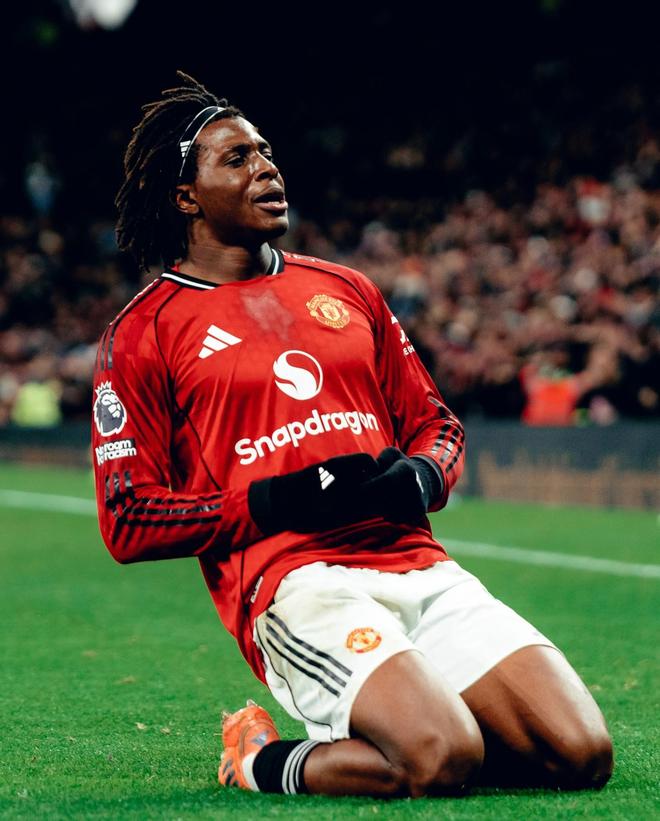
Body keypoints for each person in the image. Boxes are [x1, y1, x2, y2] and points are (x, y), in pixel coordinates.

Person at [93, 72, 613, 798]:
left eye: (265, 152)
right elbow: (129, 518)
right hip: (295, 582)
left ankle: (427, 718)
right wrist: (279, 498)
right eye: (237, 159)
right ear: (186, 197)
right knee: (440, 757)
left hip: (417, 565)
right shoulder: (144, 331)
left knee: (581, 754)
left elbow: (435, 424)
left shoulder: (345, 289)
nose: (266, 168)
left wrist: (423, 476)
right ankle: (257, 760)